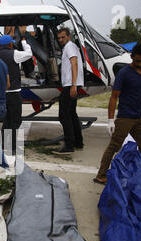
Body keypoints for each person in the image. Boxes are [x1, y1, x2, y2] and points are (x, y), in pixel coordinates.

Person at [93, 43, 141, 187]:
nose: (140, 64)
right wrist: (110, 120)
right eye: (137, 60)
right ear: (132, 56)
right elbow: (114, 96)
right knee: (114, 146)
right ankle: (101, 175)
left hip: (140, 117)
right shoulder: (124, 73)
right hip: (125, 117)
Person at [0, 34, 32, 155]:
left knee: (7, 120)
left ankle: (5, 144)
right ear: (10, 44)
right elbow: (29, 53)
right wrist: (24, 42)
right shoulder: (14, 53)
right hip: (14, 93)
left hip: (1, 94)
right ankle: (13, 147)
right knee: (15, 121)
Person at [52, 27, 84, 155]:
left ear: (68, 37)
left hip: (71, 84)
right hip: (71, 84)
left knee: (64, 115)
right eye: (59, 38)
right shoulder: (70, 47)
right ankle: (78, 141)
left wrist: (73, 85)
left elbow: (74, 64)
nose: (60, 40)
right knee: (71, 114)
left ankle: (69, 145)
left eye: (63, 37)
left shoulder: (70, 47)